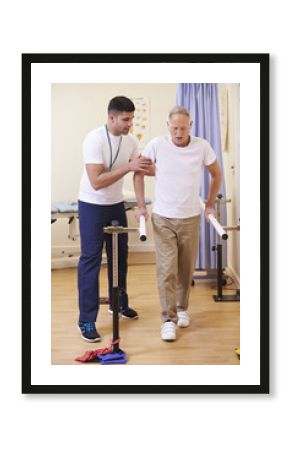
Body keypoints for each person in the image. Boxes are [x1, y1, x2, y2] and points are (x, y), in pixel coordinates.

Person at [134, 106, 222, 341]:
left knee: (185, 270)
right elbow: (138, 173)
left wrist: (211, 203)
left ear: (190, 125)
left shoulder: (201, 146)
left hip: (191, 217)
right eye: (175, 128)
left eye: (183, 128)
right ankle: (167, 319)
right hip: (163, 217)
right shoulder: (156, 145)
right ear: (168, 126)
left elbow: (217, 174)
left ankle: (182, 308)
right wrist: (142, 205)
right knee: (166, 271)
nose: (179, 132)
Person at [77, 96, 152, 342]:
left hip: (116, 206)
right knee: (90, 260)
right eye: (126, 119)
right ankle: (86, 320)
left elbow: (139, 172)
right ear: (111, 117)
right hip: (92, 206)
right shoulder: (94, 139)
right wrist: (129, 166)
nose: (130, 124)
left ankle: (118, 304)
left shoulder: (130, 141)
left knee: (120, 257)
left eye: (132, 119)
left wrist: (141, 206)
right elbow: (97, 182)